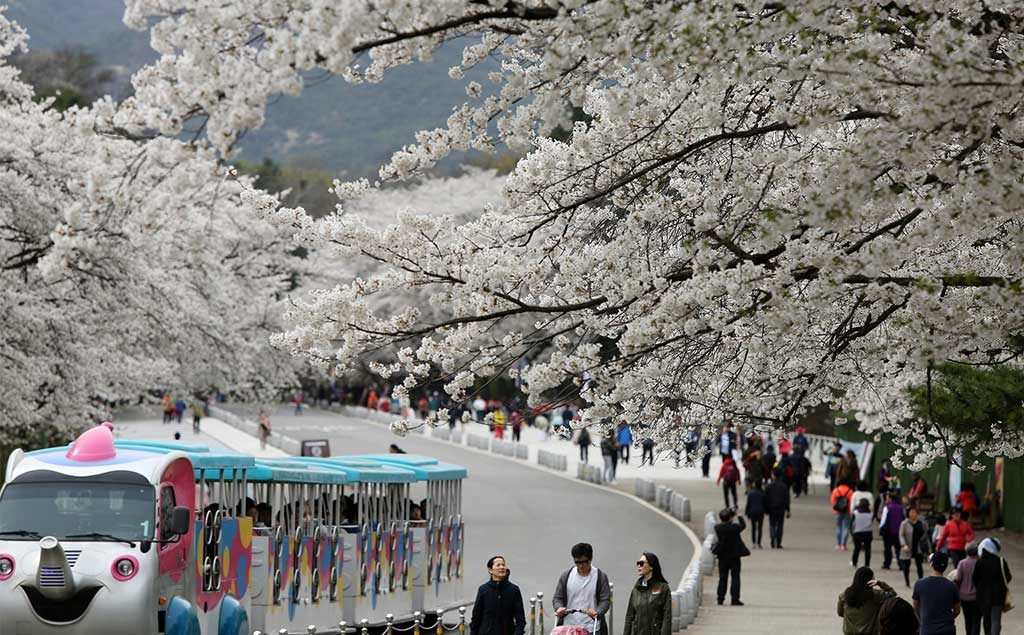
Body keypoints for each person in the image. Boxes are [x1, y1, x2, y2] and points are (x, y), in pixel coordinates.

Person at [552, 543, 612, 635]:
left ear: (591, 559)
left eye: (584, 562)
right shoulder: (566, 576)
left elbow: (605, 600)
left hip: (592, 628)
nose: (581, 566)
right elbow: (557, 598)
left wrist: (597, 612)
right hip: (568, 628)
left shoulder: (600, 577)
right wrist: (559, 608)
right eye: (577, 562)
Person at [470, 556, 526, 635]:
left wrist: (518, 633)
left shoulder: (514, 589)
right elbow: (476, 616)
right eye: (498, 565)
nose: (502, 567)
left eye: (503, 565)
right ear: (490, 570)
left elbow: (520, 618)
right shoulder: (483, 589)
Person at [623, 552, 672, 635]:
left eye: (641, 563)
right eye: (638, 563)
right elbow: (629, 617)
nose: (639, 566)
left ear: (651, 566)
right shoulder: (636, 589)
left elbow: (667, 618)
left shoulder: (663, 588)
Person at [837, 566, 897, 635]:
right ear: (870, 580)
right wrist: (880, 583)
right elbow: (892, 594)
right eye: (873, 577)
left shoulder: (844, 595)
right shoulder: (876, 595)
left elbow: (840, 613)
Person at [913, 552, 960, 635]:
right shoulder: (952, 586)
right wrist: (948, 619)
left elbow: (915, 606)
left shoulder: (920, 584)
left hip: (928, 629)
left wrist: (922, 620)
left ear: (931, 564)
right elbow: (957, 610)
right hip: (947, 629)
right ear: (945, 567)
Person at [972, 537, 1012, 635]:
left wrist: (981, 588)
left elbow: (974, 579)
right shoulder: (1001, 561)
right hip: (998, 596)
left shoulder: (979, 562)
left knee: (987, 619)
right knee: (996, 619)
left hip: (983, 596)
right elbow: (1008, 576)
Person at [714, 508, 749, 605]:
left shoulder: (718, 528)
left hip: (722, 556)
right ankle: (735, 599)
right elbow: (743, 525)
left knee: (722, 578)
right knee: (735, 577)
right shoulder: (734, 527)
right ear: (730, 517)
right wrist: (739, 515)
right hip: (734, 556)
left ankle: (720, 598)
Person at [953, 543, 981, 635]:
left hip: (964, 597)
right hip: (977, 597)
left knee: (967, 619)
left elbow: (957, 579)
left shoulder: (962, 563)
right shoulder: (980, 562)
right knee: (976, 620)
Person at [900, 507, 931, 587]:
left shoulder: (921, 523)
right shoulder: (904, 523)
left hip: (918, 547)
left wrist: (928, 546)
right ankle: (907, 581)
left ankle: (921, 581)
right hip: (908, 547)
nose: (914, 514)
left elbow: (925, 535)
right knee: (907, 566)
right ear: (908, 513)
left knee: (919, 565)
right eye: (912, 512)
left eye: (915, 512)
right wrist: (904, 545)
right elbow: (901, 535)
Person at [879, 493, 906, 570]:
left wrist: (881, 528)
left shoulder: (887, 508)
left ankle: (887, 563)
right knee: (898, 549)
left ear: (891, 499)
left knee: (887, 548)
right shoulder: (901, 508)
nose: (886, 500)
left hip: (888, 531)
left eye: (887, 498)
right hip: (898, 531)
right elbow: (903, 518)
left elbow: (883, 520)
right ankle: (901, 564)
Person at [765, 467, 790, 548]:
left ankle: (772, 540)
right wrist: (788, 509)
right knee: (780, 525)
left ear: (773, 475)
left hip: (772, 508)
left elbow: (766, 498)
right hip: (781, 508)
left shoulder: (769, 486)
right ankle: (778, 542)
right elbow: (787, 499)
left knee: (772, 524)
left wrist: (766, 509)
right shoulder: (784, 486)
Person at [832, 480, 856, 551]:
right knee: (846, 527)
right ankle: (843, 545)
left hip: (838, 511)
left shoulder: (836, 490)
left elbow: (832, 501)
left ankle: (838, 544)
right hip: (847, 511)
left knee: (838, 526)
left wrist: (836, 507)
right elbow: (852, 502)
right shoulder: (850, 491)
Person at [851, 498, 875, 568]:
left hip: (857, 532)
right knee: (868, 549)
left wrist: (852, 533)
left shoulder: (855, 513)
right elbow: (871, 521)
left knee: (857, 548)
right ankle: (867, 564)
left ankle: (854, 562)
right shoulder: (871, 514)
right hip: (868, 533)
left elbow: (852, 524)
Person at [744, 482, 765, 549]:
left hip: (752, 511)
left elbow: (748, 504)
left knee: (753, 528)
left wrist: (747, 512)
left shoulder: (751, 493)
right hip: (760, 512)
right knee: (760, 528)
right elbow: (765, 503)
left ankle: (753, 543)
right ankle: (759, 543)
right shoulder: (763, 493)